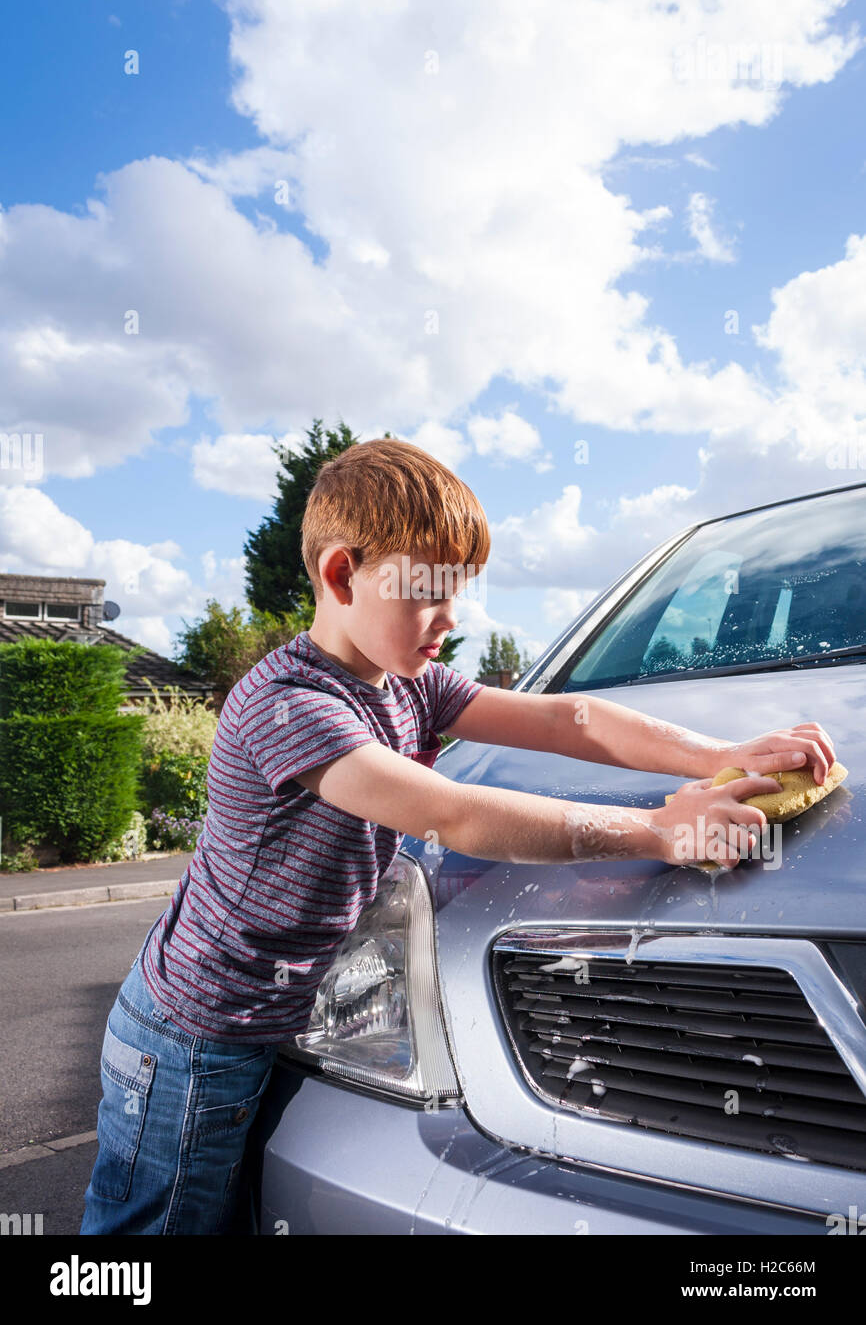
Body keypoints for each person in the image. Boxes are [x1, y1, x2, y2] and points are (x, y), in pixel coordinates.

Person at [80, 437, 836, 1234]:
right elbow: (454, 814)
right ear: (341, 574)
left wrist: (719, 755)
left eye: (458, 593)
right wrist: (657, 831)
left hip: (259, 1025)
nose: (450, 620)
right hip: (193, 1040)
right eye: (428, 593)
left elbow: (566, 716)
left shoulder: (409, 683)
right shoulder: (291, 706)